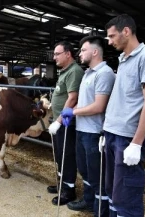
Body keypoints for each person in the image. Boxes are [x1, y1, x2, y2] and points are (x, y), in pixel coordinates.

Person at [103, 14, 145, 217]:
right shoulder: (123, 59)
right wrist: (107, 130)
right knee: (113, 191)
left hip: (127, 138)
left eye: (112, 36)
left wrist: (136, 143)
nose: (109, 42)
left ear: (126, 31)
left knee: (127, 196)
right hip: (113, 133)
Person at [61, 36, 115, 216]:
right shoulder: (87, 74)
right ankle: (89, 201)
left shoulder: (104, 73)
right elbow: (84, 102)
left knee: (97, 173)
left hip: (94, 133)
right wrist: (71, 110)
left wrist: (73, 112)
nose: (80, 53)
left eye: (83, 50)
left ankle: (101, 210)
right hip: (82, 130)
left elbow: (99, 106)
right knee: (85, 170)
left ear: (95, 51)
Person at [47, 41, 84, 206]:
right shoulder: (64, 71)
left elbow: (73, 98)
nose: (54, 57)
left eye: (57, 54)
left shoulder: (74, 71)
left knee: (67, 156)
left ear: (68, 54)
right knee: (60, 155)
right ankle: (62, 184)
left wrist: (59, 121)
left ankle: (69, 191)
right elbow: (61, 94)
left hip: (67, 123)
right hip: (59, 121)